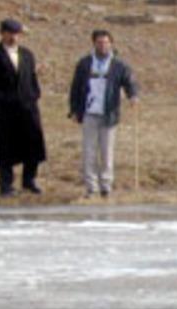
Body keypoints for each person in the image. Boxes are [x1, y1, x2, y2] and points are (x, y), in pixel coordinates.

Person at [0, 19, 47, 197]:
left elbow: (32, 78)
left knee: (33, 143)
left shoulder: (27, 54)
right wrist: (1, 99)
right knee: (6, 146)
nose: (13, 37)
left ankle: (29, 180)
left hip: (28, 107)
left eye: (16, 33)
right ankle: (6, 184)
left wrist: (34, 95)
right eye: (10, 33)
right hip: (6, 110)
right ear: (2, 33)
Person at [69, 30, 139, 198]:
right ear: (94, 44)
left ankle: (106, 186)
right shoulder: (85, 64)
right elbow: (75, 87)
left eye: (106, 42)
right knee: (89, 151)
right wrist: (74, 110)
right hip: (89, 113)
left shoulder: (118, 65)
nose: (103, 46)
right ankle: (91, 187)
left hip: (109, 113)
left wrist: (133, 96)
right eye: (99, 43)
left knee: (107, 151)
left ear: (111, 44)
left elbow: (129, 82)